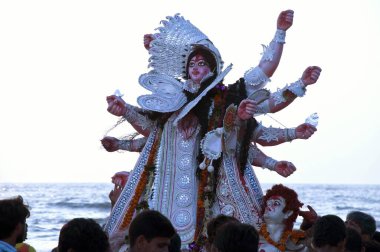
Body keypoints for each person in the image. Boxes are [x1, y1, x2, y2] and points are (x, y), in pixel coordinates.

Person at [102, 10, 321, 249]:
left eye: (202, 63)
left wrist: (280, 35)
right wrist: (124, 110)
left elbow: (262, 77)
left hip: (212, 188)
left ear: (213, 69)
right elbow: (151, 131)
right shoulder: (170, 101)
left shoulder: (226, 98)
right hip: (165, 187)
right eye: (192, 64)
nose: (196, 68)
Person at [258, 184, 308, 252]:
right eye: (268, 203)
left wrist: (311, 223)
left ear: (288, 213)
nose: (269, 206)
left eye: (276, 203)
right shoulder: (252, 236)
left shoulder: (297, 238)